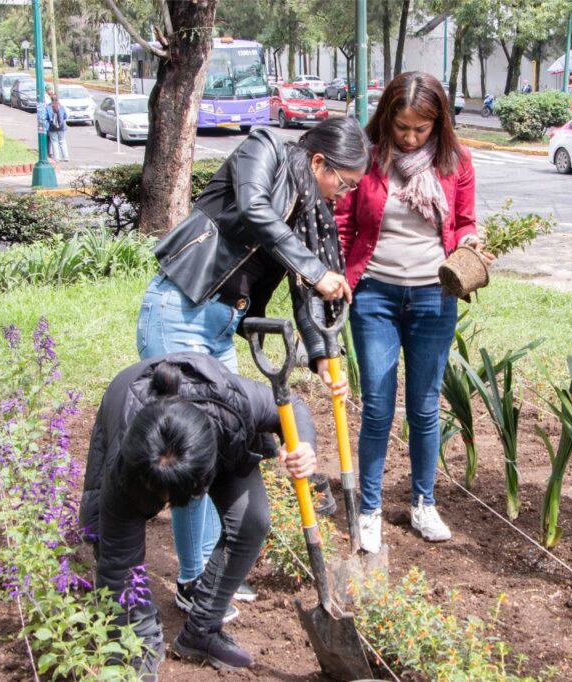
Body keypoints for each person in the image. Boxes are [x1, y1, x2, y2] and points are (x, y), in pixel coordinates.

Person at [138, 117, 368, 612]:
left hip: (220, 326)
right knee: (191, 450)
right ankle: (194, 579)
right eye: (342, 183)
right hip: (180, 310)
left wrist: (327, 356)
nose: (343, 196)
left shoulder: (310, 211)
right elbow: (253, 209)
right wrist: (313, 268)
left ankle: (211, 568)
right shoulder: (263, 149)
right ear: (318, 161)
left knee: (219, 448)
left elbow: (307, 291)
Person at [80, 353, 319, 673]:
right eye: (161, 494)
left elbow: (292, 406)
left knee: (252, 522)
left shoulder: (233, 403)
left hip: (215, 432)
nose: (167, 502)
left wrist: (302, 444)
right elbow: (118, 565)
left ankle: (202, 630)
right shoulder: (128, 463)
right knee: (105, 536)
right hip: (129, 409)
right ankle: (138, 637)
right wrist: (131, 648)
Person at [334, 71, 488, 553]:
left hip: (433, 295)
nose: (410, 137)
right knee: (378, 406)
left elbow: (464, 220)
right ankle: (370, 509)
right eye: (402, 127)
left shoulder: (455, 160)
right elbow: (342, 221)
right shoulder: (368, 155)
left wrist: (469, 241)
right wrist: (333, 277)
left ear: (437, 123)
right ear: (387, 119)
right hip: (375, 294)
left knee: (424, 407)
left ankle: (424, 502)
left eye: (420, 129)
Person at [45, 91, 69, 162]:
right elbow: (65, 116)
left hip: (52, 127)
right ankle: (66, 157)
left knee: (54, 142)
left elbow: (46, 117)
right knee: (62, 141)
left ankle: (57, 157)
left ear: (51, 99)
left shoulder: (48, 107)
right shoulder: (61, 107)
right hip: (61, 127)